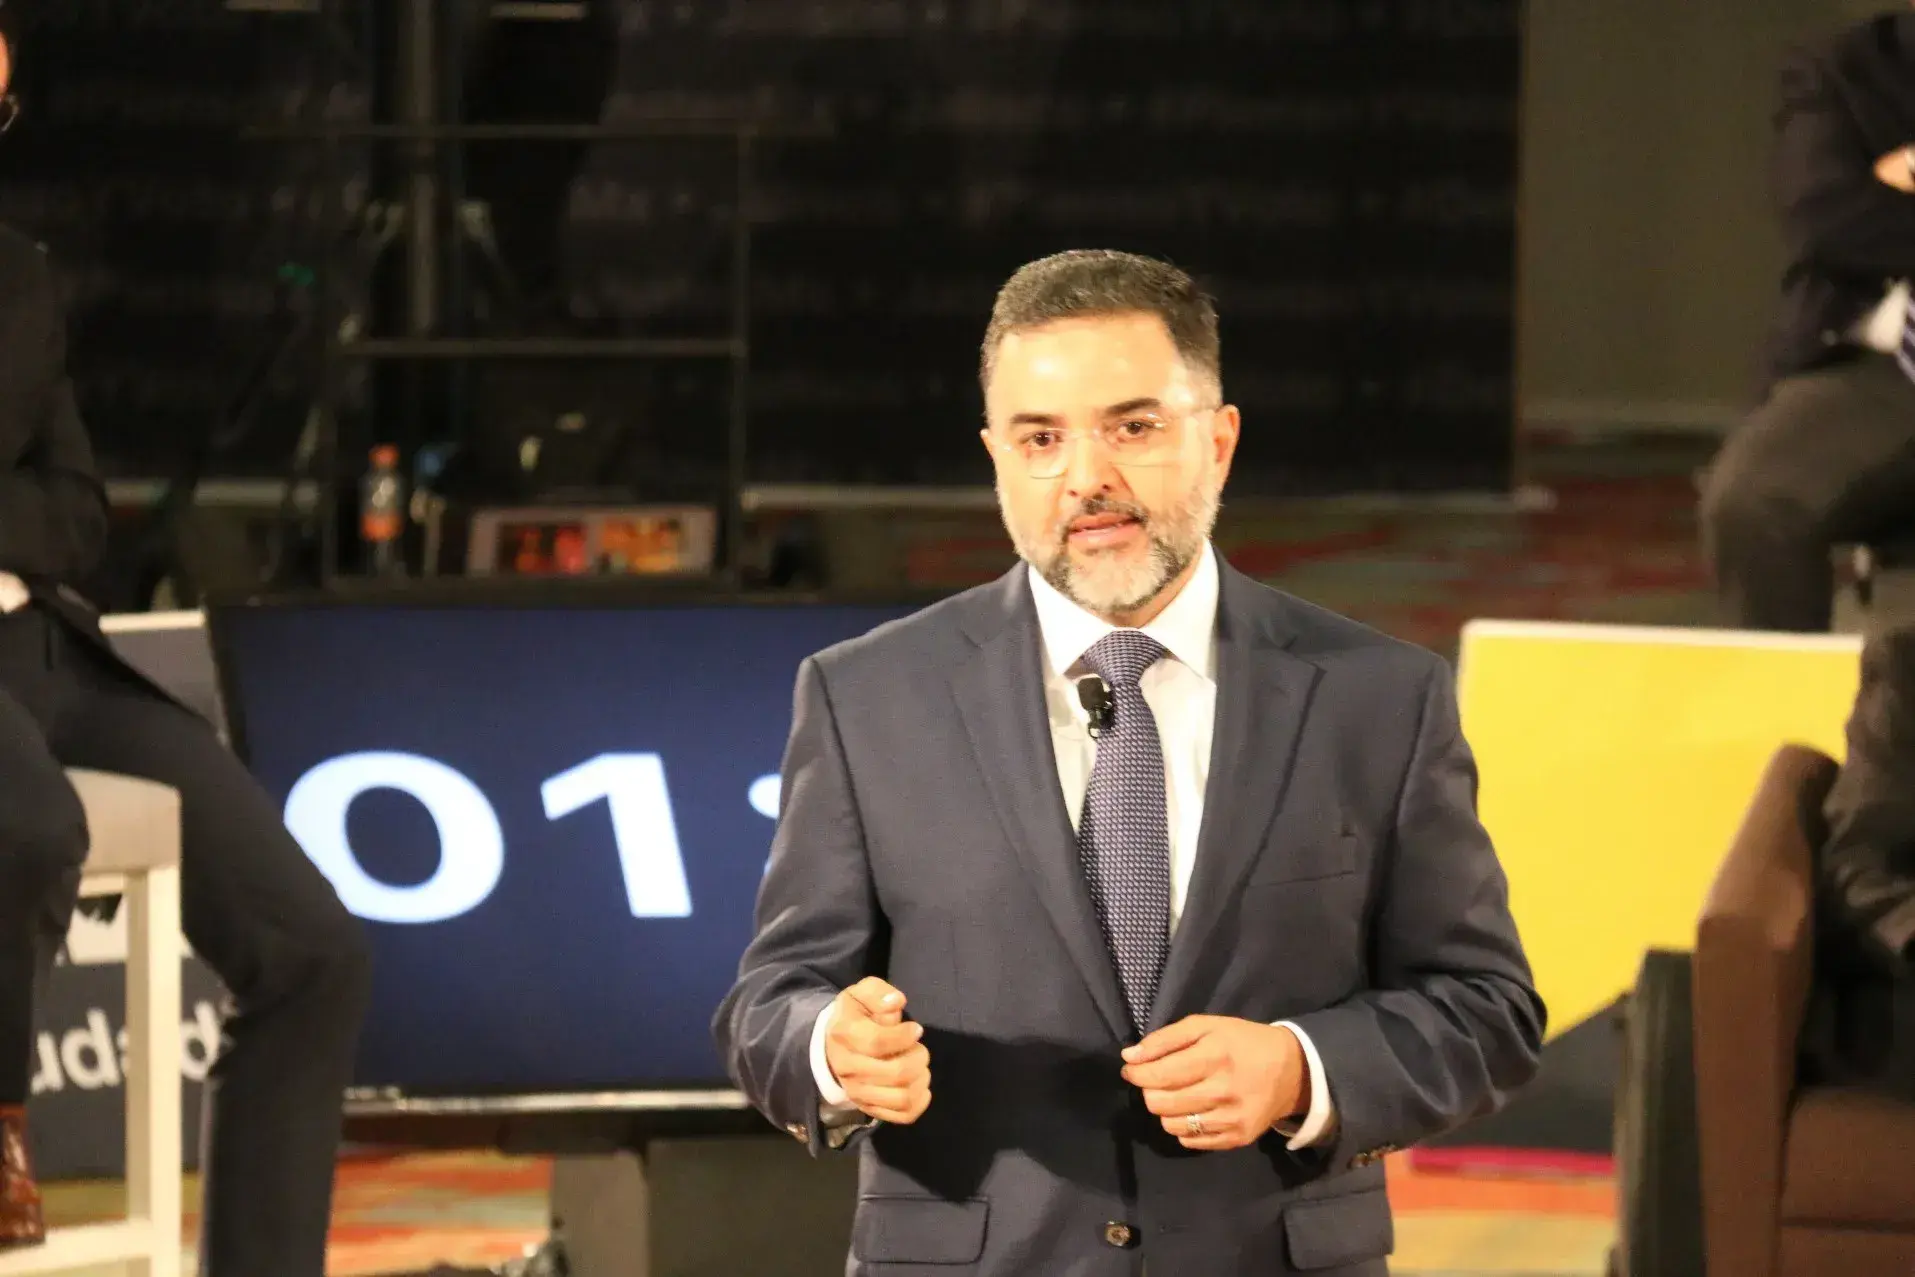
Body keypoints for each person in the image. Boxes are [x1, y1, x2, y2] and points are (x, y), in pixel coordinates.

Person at [715, 249, 1545, 1275]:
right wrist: (831, 1049)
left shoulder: (1377, 697)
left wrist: (1301, 1067)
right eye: (1041, 439)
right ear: (996, 458)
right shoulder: (868, 696)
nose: (1086, 478)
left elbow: (1484, 1009)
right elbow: (771, 999)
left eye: (1133, 427)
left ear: (1219, 442)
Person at [0, 26, 371, 1273]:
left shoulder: (16, 275)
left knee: (313, 951)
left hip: (47, 649)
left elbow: (76, 511)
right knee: (30, 827)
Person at [1698, 6, 1915, 632]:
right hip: (1885, 373)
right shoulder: (1848, 68)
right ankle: (1782, 696)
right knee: (1757, 501)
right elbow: (1831, 221)